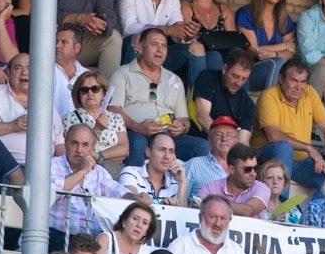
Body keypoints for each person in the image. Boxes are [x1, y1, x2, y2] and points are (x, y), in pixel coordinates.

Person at [109, 24, 208, 165]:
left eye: (164, 46)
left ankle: (188, 186)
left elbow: (184, 119)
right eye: (154, 44)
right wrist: (137, 126)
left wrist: (182, 127)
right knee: (138, 143)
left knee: (203, 147)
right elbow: (113, 109)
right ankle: (137, 185)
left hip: (168, 137)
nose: (160, 50)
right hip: (135, 133)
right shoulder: (122, 73)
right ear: (141, 48)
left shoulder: (174, 79)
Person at [253, 57, 325, 189]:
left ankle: (315, 209)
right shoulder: (269, 96)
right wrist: (309, 148)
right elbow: (274, 136)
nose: (299, 87)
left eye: (303, 82)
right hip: (269, 159)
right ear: (281, 79)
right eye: (293, 81)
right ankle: (280, 204)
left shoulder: (309, 93)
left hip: (300, 163)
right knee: (283, 147)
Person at [0, 51, 65, 167]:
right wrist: (12, 126)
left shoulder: (45, 102)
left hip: (43, 170)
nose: (24, 72)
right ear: (8, 72)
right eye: (18, 68)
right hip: (3, 168)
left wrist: (64, 167)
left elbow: (59, 143)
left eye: (29, 68)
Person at [49, 121, 126, 247]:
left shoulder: (99, 172)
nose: (79, 150)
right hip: (59, 236)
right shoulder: (52, 165)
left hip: (92, 239)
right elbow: (50, 194)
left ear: (93, 147)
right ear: (66, 143)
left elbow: (116, 190)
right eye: (74, 143)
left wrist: (135, 198)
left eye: (85, 145)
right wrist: (83, 171)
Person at [236, 0, 298, 92]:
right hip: (249, 71)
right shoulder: (246, 14)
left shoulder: (284, 19)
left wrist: (274, 54)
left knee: (281, 64)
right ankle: (270, 106)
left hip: (278, 69)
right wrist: (284, 45)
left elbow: (291, 52)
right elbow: (254, 50)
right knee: (277, 63)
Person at [192, 50, 257, 142]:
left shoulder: (248, 104)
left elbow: (243, 141)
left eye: (244, 79)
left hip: (227, 148)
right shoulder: (208, 78)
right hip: (199, 139)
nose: (238, 83)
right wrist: (223, 142)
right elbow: (203, 117)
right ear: (225, 69)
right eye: (235, 76)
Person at [119, 128, 189, 207]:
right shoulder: (131, 172)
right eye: (162, 150)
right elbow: (130, 203)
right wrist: (161, 207)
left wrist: (182, 182)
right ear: (148, 152)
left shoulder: (176, 184)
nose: (167, 156)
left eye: (171, 151)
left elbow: (182, 216)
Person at [202, 141, 271, 217]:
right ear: (232, 169)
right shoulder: (210, 188)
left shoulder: (262, 188)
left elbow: (248, 211)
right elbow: (196, 210)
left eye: (256, 168)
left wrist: (210, 204)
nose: (253, 173)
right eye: (247, 169)